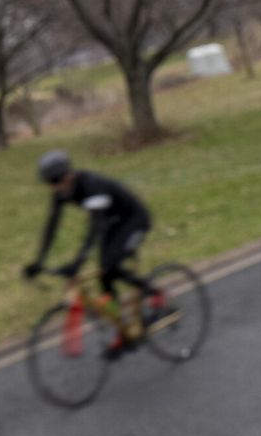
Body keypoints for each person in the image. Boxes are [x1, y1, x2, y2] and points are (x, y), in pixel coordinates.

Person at [23, 150, 160, 349]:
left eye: (56, 181)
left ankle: (153, 291)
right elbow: (51, 227)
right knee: (104, 275)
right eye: (49, 183)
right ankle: (123, 328)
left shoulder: (92, 186)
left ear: (68, 175)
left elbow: (94, 231)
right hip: (112, 222)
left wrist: (77, 263)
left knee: (110, 265)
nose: (54, 187)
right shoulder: (60, 193)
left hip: (134, 220)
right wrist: (39, 262)